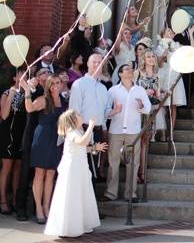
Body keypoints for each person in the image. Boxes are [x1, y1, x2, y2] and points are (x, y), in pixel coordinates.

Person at [44, 111, 107, 238]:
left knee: (81, 194)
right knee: (72, 195)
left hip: (80, 167)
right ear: (72, 119)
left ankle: (82, 224)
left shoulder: (78, 131)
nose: (81, 115)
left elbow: (82, 147)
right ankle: (69, 227)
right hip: (72, 169)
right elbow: (82, 142)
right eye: (78, 114)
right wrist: (90, 126)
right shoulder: (71, 131)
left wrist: (95, 148)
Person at [21, 74, 68, 224]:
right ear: (48, 85)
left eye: (58, 82)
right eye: (52, 83)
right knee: (40, 174)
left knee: (51, 175)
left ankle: (47, 207)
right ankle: (39, 209)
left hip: (57, 140)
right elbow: (29, 108)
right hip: (42, 138)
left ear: (61, 84)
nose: (55, 85)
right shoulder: (43, 99)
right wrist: (27, 90)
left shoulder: (64, 101)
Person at [103, 64, 152, 202]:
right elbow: (105, 111)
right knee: (113, 162)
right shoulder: (112, 91)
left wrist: (141, 106)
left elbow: (148, 109)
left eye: (131, 69)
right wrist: (114, 111)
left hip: (133, 131)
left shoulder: (140, 90)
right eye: (127, 69)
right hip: (116, 130)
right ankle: (110, 193)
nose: (130, 71)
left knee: (134, 163)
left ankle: (131, 194)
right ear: (120, 74)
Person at [69, 53, 111, 185]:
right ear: (87, 64)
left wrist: (105, 128)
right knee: (83, 169)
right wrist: (82, 134)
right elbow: (74, 110)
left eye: (100, 62)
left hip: (97, 131)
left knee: (93, 170)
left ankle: (90, 203)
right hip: (83, 130)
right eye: (94, 62)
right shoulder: (79, 84)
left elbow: (104, 113)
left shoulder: (103, 88)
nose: (97, 64)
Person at [15, 66, 49, 221]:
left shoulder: (50, 91)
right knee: (25, 172)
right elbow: (23, 107)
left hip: (46, 136)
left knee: (43, 173)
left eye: (47, 73)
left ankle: (39, 208)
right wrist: (28, 88)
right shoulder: (32, 90)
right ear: (35, 77)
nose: (45, 75)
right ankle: (20, 207)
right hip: (30, 134)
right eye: (42, 73)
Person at [0, 68, 28, 215]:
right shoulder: (6, 92)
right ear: (15, 77)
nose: (24, 78)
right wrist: (11, 95)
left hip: (21, 132)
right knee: (7, 166)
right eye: (21, 75)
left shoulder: (28, 93)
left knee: (18, 167)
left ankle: (15, 200)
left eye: (26, 75)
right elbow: (3, 114)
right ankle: (3, 200)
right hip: (8, 131)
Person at [155, 26, 192, 136]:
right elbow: (160, 64)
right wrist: (164, 53)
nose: (170, 32)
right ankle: (161, 132)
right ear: (163, 34)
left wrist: (190, 35)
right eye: (168, 31)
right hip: (164, 76)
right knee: (162, 104)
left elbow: (190, 50)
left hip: (174, 75)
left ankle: (171, 132)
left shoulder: (176, 45)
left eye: (171, 31)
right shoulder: (160, 46)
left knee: (173, 105)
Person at [134, 49, 160, 181]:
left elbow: (158, 94)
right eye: (148, 56)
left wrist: (162, 93)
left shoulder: (157, 75)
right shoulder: (137, 73)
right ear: (143, 59)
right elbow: (131, 91)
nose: (151, 59)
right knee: (137, 139)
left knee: (145, 140)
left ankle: (143, 173)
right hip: (138, 111)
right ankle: (135, 172)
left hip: (151, 110)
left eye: (153, 57)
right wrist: (145, 91)